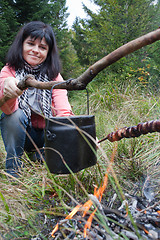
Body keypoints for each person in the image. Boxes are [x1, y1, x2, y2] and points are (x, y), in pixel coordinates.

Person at [0, 21, 74, 177]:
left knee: (57, 125)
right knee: (13, 117)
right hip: (23, 134)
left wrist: (78, 132)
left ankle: (40, 157)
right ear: (21, 44)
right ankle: (13, 170)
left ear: (48, 52)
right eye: (30, 44)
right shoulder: (9, 71)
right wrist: (8, 88)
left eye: (42, 47)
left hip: (47, 136)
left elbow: (63, 110)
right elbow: (8, 109)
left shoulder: (54, 76)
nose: (35, 50)